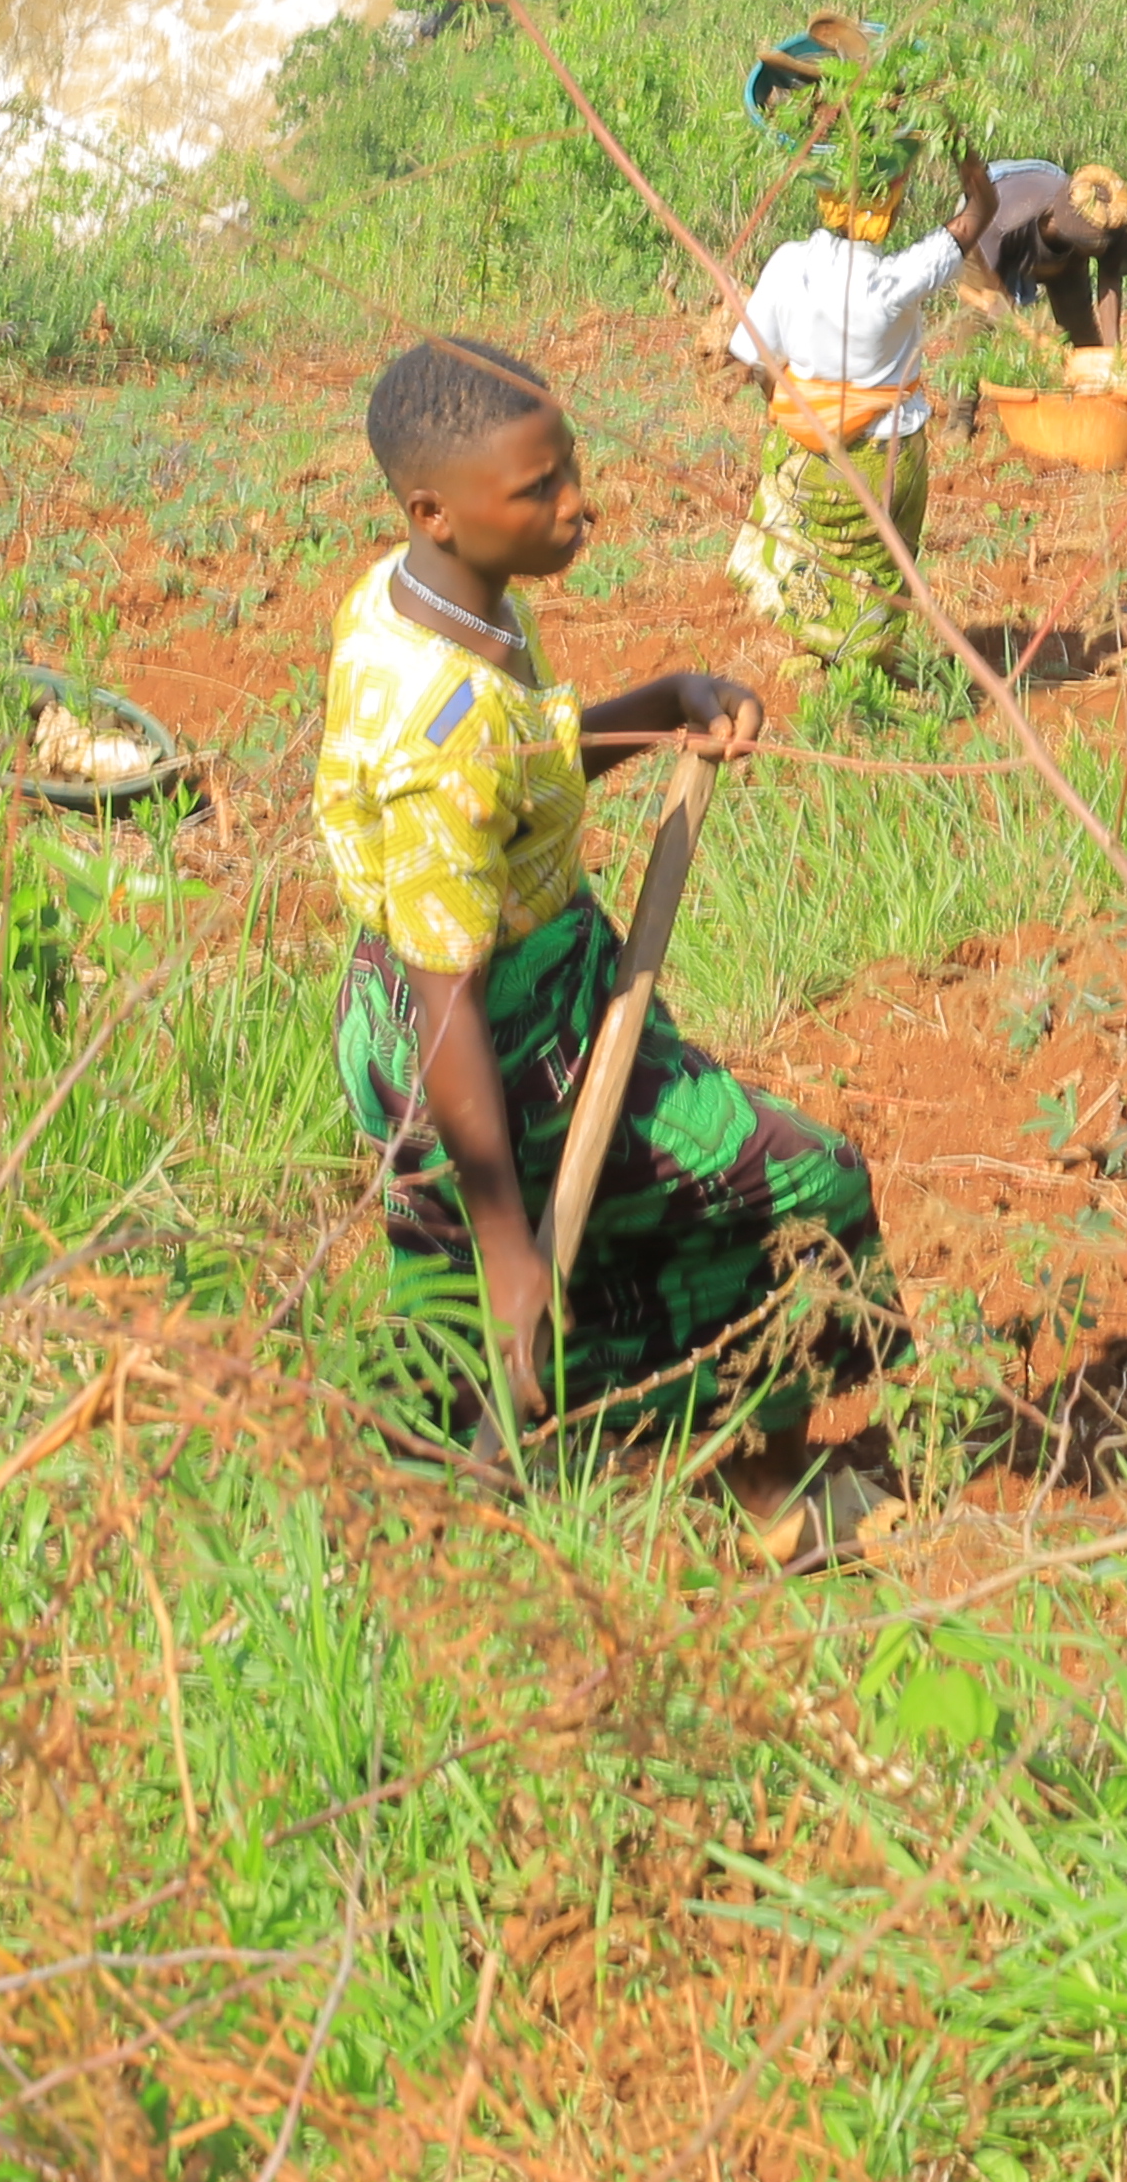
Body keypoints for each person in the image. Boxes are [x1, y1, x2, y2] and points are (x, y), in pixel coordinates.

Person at [316, 336, 891, 1563]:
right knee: (800, 1188)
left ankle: (430, 1500)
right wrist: (514, 1240)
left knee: (455, 1279)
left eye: (568, 465)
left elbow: (518, 764)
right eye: (539, 489)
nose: (579, 503)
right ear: (437, 509)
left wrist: (655, 702)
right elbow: (447, 986)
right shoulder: (439, 729)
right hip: (488, 1039)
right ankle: (766, 1485)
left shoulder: (421, 599)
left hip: (422, 1011)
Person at [725, 143, 999, 696]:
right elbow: (979, 215)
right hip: (887, 453)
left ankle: (820, 653)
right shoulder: (896, 279)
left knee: (810, 550)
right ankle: (864, 672)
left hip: (810, 450)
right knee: (878, 566)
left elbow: (753, 360)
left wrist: (799, 411)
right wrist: (964, 154)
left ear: (826, 197)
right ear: (890, 205)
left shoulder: (788, 263)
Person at [958, 157, 1127, 357]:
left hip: (1057, 247)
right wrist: (1001, 302)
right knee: (976, 332)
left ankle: (1093, 384)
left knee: (1083, 332)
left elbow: (1110, 276)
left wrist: (1112, 354)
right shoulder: (1010, 219)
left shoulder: (1112, 219)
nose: (1097, 253)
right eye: (1091, 246)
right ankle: (965, 386)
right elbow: (993, 293)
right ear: (1054, 223)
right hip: (982, 230)